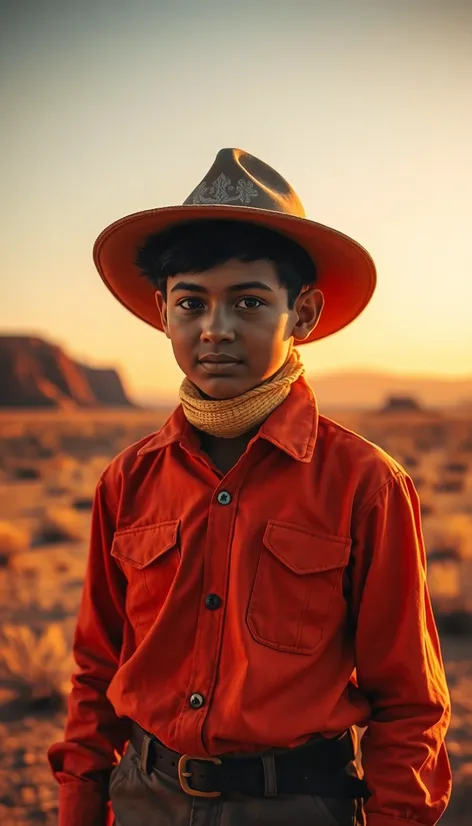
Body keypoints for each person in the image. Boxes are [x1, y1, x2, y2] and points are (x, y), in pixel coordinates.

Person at [48, 148, 452, 826]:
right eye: (192, 303)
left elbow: (410, 702)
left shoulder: (366, 484)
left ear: (304, 314)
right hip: (145, 799)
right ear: (162, 311)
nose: (216, 329)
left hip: (298, 805)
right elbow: (96, 670)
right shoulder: (129, 479)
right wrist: (79, 807)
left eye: (250, 302)